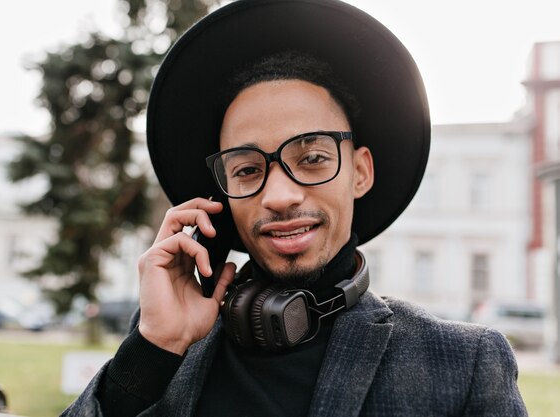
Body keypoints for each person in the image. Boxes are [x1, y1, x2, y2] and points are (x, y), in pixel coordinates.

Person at [62, 0, 527, 416]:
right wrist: (152, 350)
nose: (279, 196)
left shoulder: (462, 365)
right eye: (246, 170)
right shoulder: (167, 344)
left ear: (360, 172)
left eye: (312, 158)